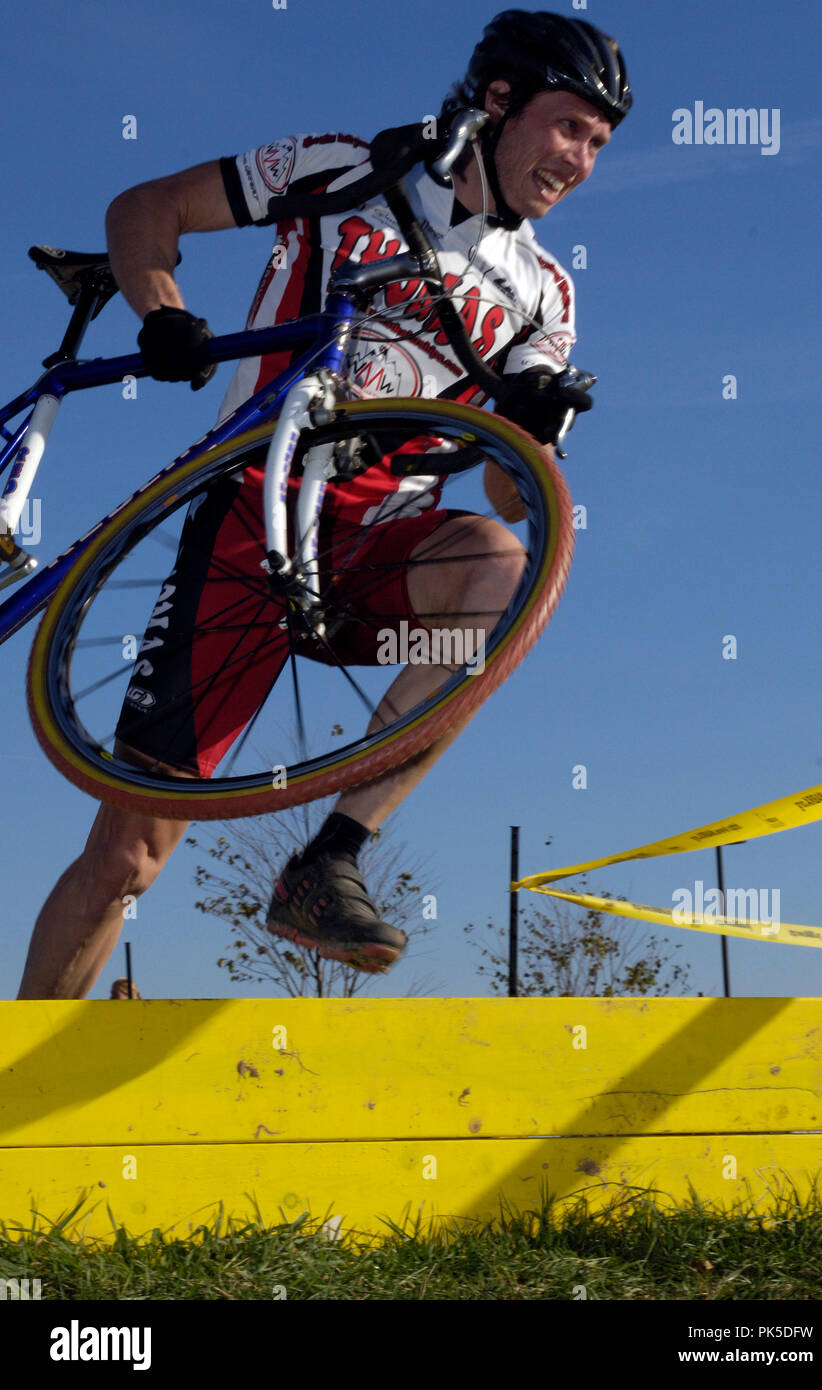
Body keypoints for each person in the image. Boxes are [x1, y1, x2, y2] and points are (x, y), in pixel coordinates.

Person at [17, 11, 631, 998]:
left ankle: (330, 858)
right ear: (499, 100)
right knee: (129, 855)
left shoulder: (544, 296)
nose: (582, 161)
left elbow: (507, 496)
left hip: (376, 554)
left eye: (599, 144)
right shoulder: (348, 165)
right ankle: (25, 1072)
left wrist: (534, 426)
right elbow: (143, 208)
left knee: (495, 569)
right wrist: (162, 312)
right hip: (251, 519)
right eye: (569, 128)